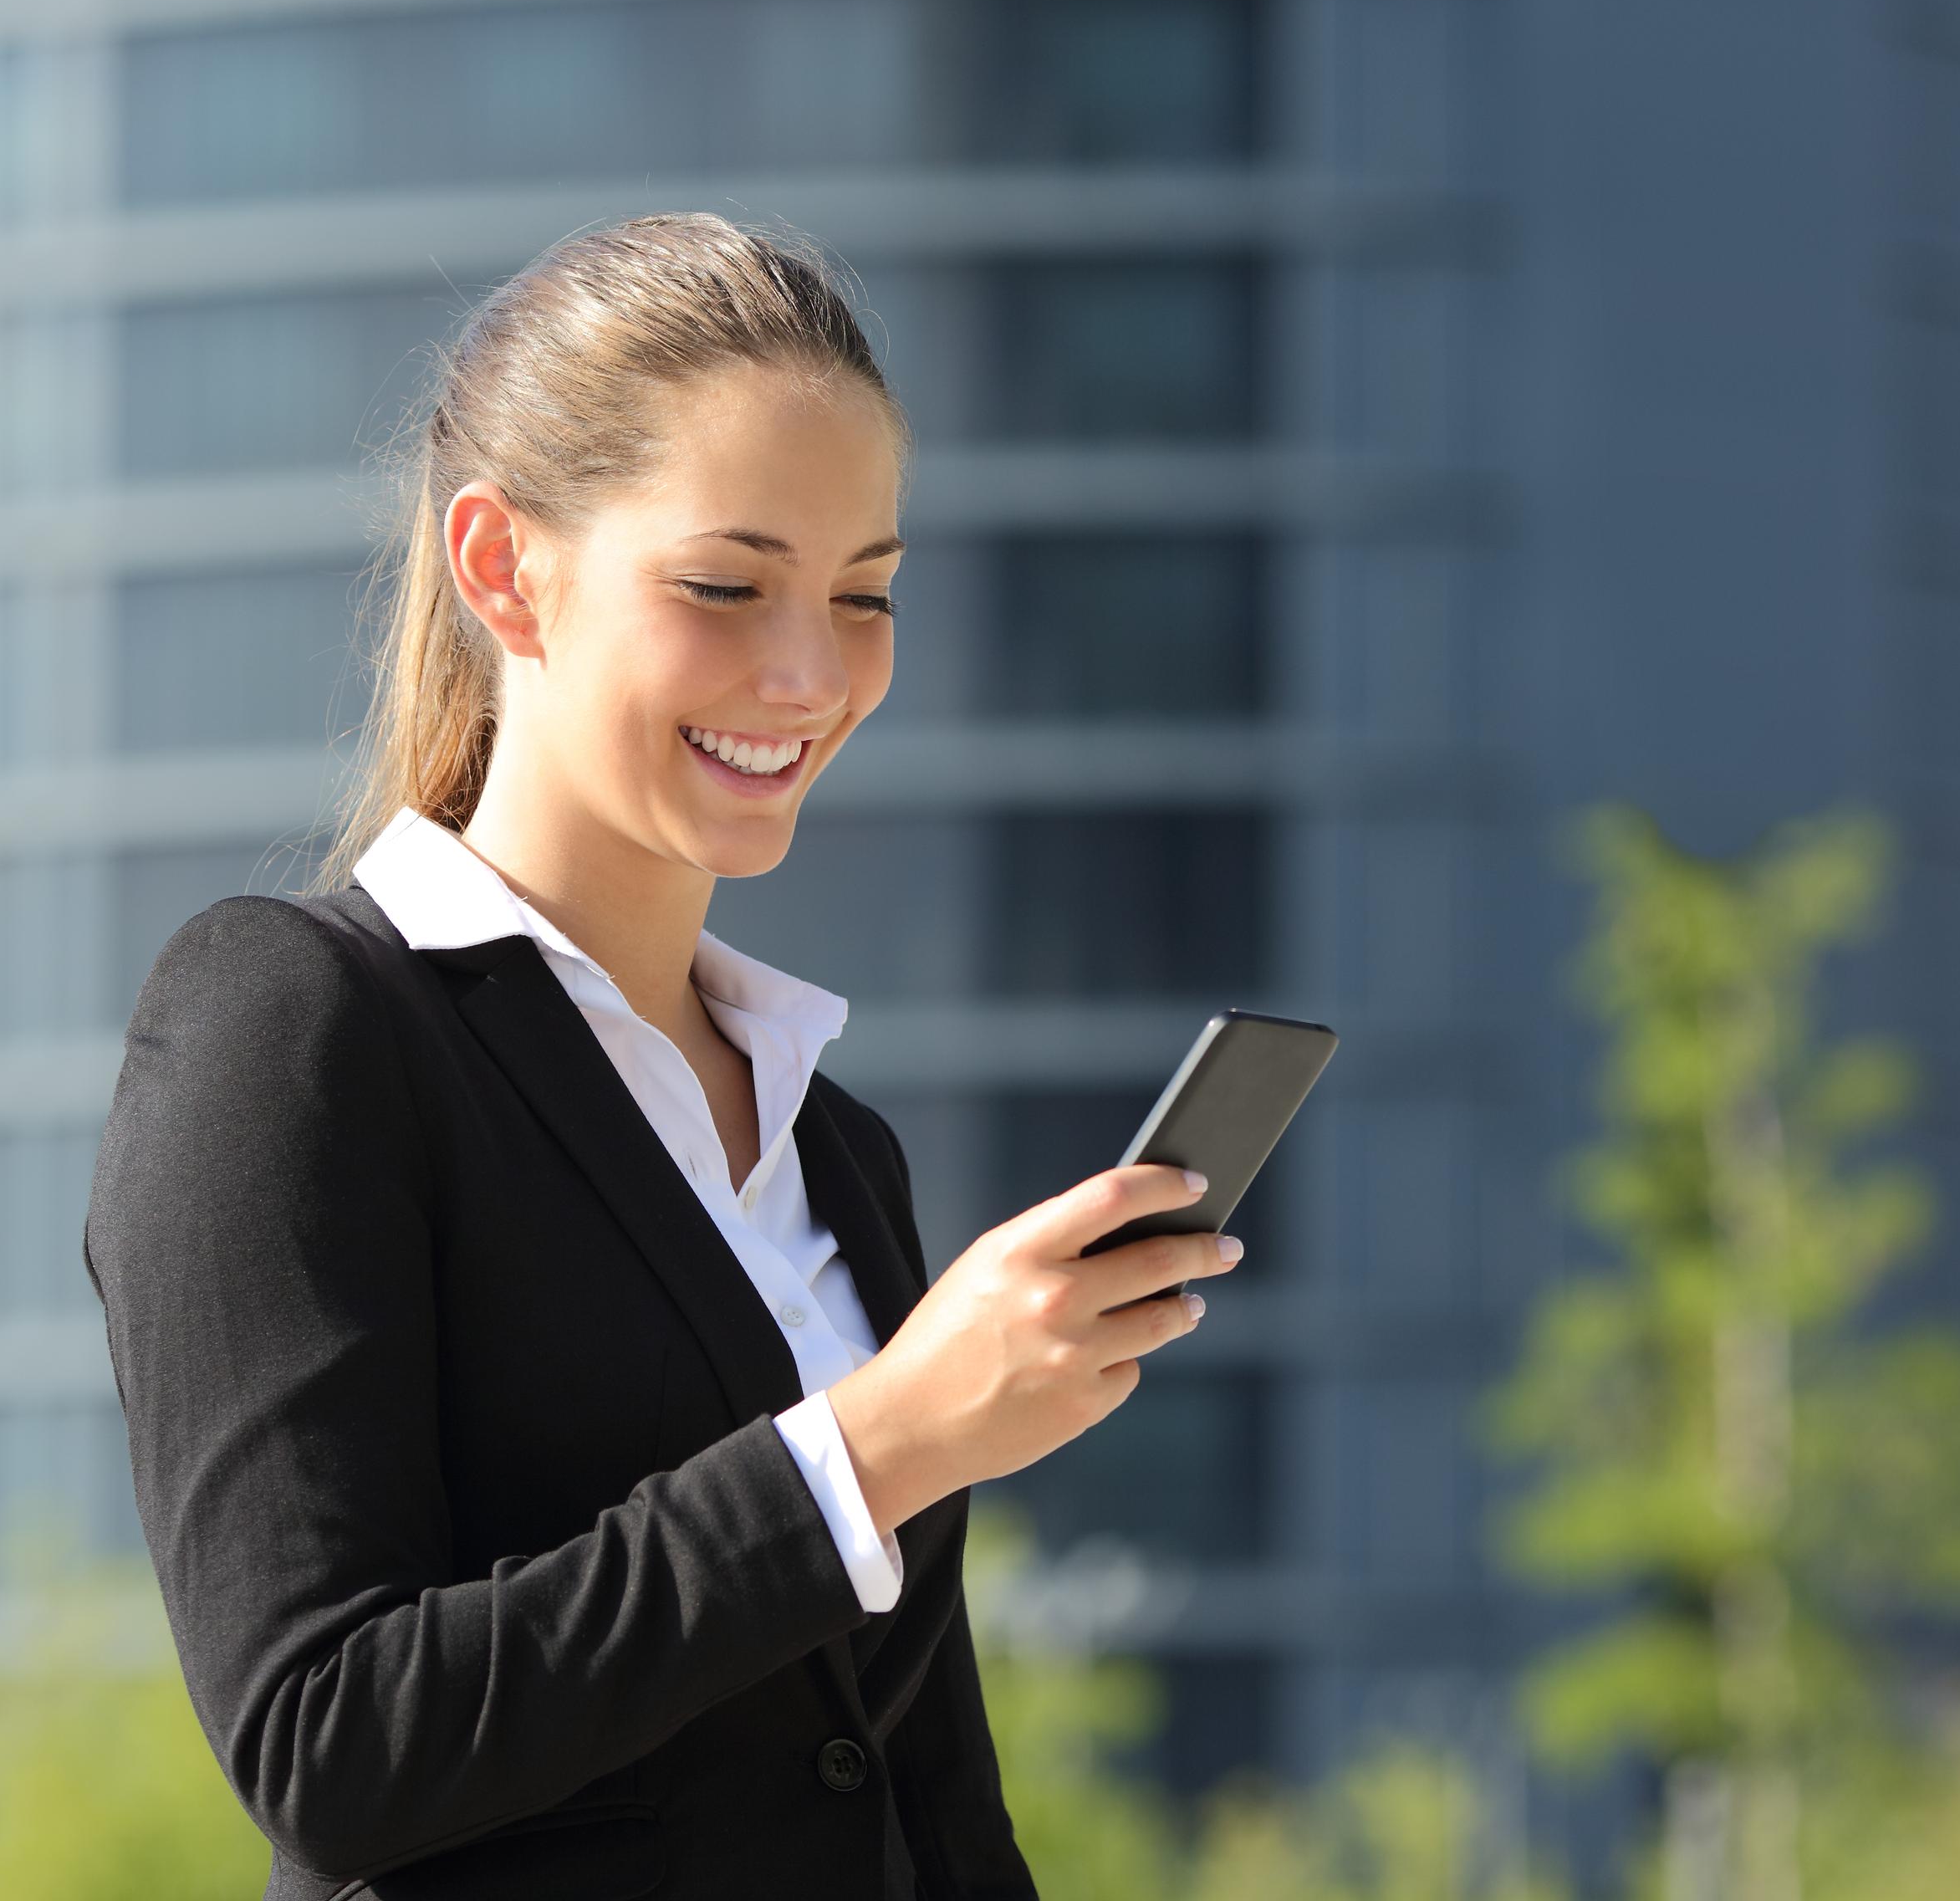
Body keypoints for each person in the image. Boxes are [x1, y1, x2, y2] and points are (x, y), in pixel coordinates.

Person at [82, 212, 1243, 1900]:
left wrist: (894, 1444)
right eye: (725, 583)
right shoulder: (294, 1023)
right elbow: (327, 1736)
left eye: (866, 595)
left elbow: (931, 1799)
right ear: (503, 568)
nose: (807, 671)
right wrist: (878, 1442)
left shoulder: (832, 1143)